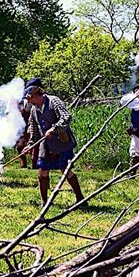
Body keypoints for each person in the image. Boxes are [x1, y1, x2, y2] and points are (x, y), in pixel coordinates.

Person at [22, 78, 84, 206]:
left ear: (36, 93)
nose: (29, 102)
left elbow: (66, 117)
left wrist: (54, 129)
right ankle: (44, 202)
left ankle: (80, 199)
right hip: (46, 145)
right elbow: (34, 129)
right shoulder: (34, 109)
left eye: (30, 98)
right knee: (42, 171)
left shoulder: (53, 100)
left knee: (66, 170)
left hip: (61, 142)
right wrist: (30, 144)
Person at [15, 98, 38, 169]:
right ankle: (23, 163)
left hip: (31, 123)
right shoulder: (17, 101)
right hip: (20, 124)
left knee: (33, 143)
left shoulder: (31, 101)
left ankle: (34, 163)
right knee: (19, 145)